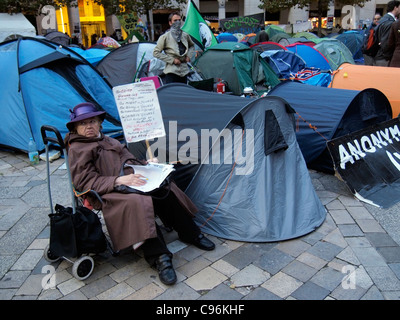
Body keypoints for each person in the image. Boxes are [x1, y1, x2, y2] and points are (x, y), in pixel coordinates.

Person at [64, 102, 215, 285]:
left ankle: (189, 232)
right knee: (138, 201)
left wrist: (145, 164)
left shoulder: (107, 140)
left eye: (92, 121)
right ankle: (159, 257)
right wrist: (117, 181)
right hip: (107, 192)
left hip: (129, 180)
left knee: (163, 185)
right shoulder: (77, 149)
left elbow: (126, 157)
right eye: (83, 123)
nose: (89, 126)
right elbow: (84, 182)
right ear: (75, 127)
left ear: (100, 123)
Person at [153, 12, 195, 84]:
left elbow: (192, 46)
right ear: (170, 23)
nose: (178, 22)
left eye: (179, 20)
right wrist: (172, 60)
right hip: (171, 71)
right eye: (175, 20)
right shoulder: (165, 37)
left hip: (184, 71)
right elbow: (156, 52)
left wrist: (188, 56)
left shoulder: (185, 35)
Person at [374, 1, 400, 66]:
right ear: (395, 8)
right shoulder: (391, 23)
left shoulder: (382, 20)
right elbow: (387, 42)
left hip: (378, 55)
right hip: (384, 58)